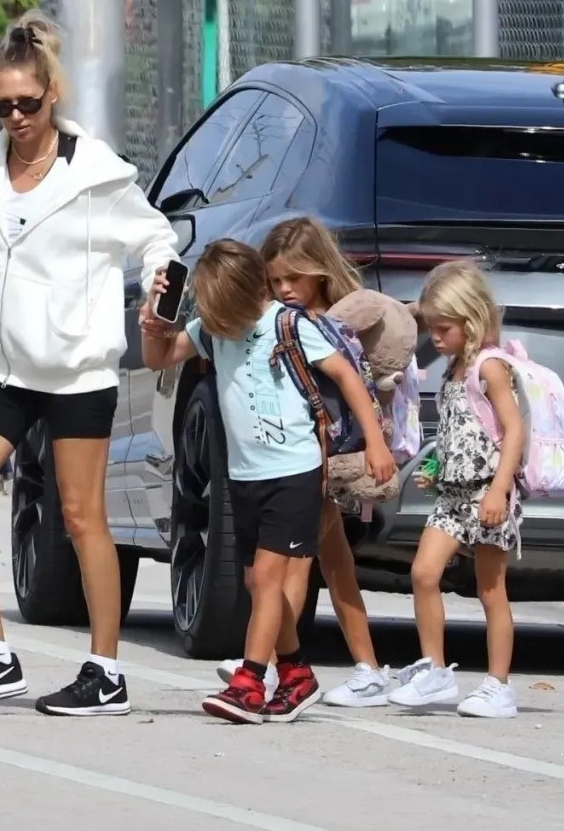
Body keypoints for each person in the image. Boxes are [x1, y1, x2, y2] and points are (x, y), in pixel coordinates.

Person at [0, 10, 178, 715]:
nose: (16, 117)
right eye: (3, 105)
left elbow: (156, 237)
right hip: (5, 369)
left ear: (53, 95)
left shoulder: (92, 172)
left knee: (81, 517)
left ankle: (105, 671)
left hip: (76, 372)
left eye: (28, 103)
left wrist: (160, 290)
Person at [141, 239, 396, 724]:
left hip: (294, 471)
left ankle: (251, 681)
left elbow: (345, 375)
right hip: (244, 476)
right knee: (255, 581)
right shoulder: (214, 327)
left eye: (222, 308)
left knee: (266, 579)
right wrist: (153, 324)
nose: (217, 319)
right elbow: (161, 357)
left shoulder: (288, 324)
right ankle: (297, 674)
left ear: (252, 291)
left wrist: (376, 445)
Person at [218, 217, 394, 707]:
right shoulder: (290, 319)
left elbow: (350, 383)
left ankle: (272, 664)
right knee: (330, 562)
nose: (285, 289)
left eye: (294, 277)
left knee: (294, 568)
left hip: (313, 459)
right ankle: (360, 666)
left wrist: (376, 444)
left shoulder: (313, 324)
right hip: (304, 459)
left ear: (319, 270)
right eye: (275, 280)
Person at [388, 260, 523, 718]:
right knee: (424, 573)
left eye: (444, 329)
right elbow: (458, 434)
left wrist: (499, 491)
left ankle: (498, 686)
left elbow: (513, 432)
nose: (436, 338)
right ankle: (435, 672)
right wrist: (434, 467)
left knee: (491, 590)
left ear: (472, 320)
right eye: (433, 328)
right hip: (452, 496)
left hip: (488, 493)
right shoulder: (453, 369)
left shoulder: (490, 367)